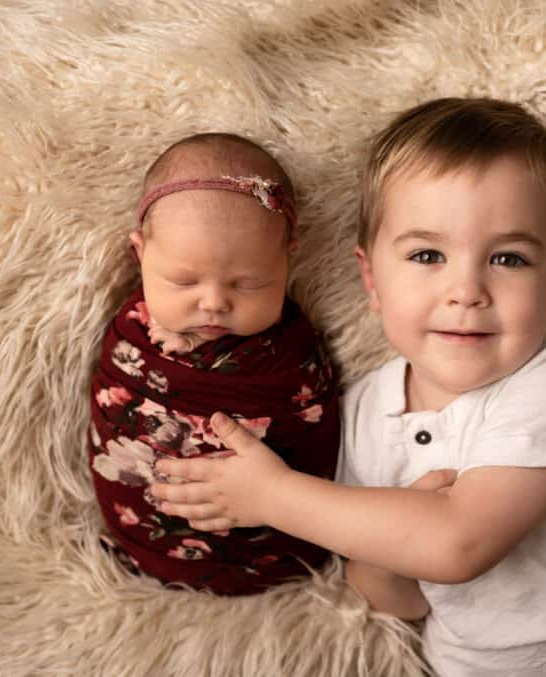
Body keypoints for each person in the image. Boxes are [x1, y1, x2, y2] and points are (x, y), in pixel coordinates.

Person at [149, 98, 546, 675]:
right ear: (371, 278)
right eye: (427, 254)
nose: (466, 290)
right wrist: (393, 540)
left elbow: (459, 544)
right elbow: (399, 598)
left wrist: (272, 496)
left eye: (509, 259)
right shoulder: (363, 412)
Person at [88, 132, 339, 595]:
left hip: (266, 561)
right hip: (140, 542)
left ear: (288, 258)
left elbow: (317, 446)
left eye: (249, 284)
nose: (214, 304)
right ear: (140, 253)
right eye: (182, 281)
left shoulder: (287, 358)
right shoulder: (132, 337)